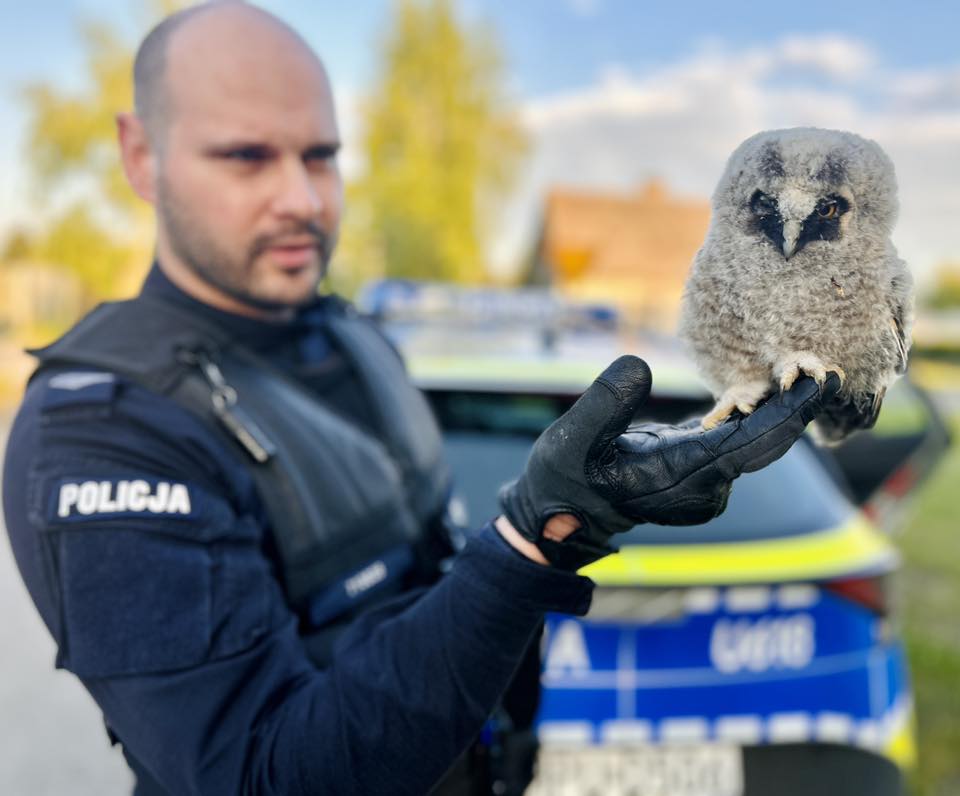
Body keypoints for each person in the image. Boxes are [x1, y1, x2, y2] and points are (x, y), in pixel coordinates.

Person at [1, 3, 840, 794]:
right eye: (246, 156)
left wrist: (570, 509)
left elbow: (433, 583)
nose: (302, 198)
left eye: (320, 154)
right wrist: (534, 537)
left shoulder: (356, 336)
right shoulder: (105, 425)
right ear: (141, 155)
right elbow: (259, 773)